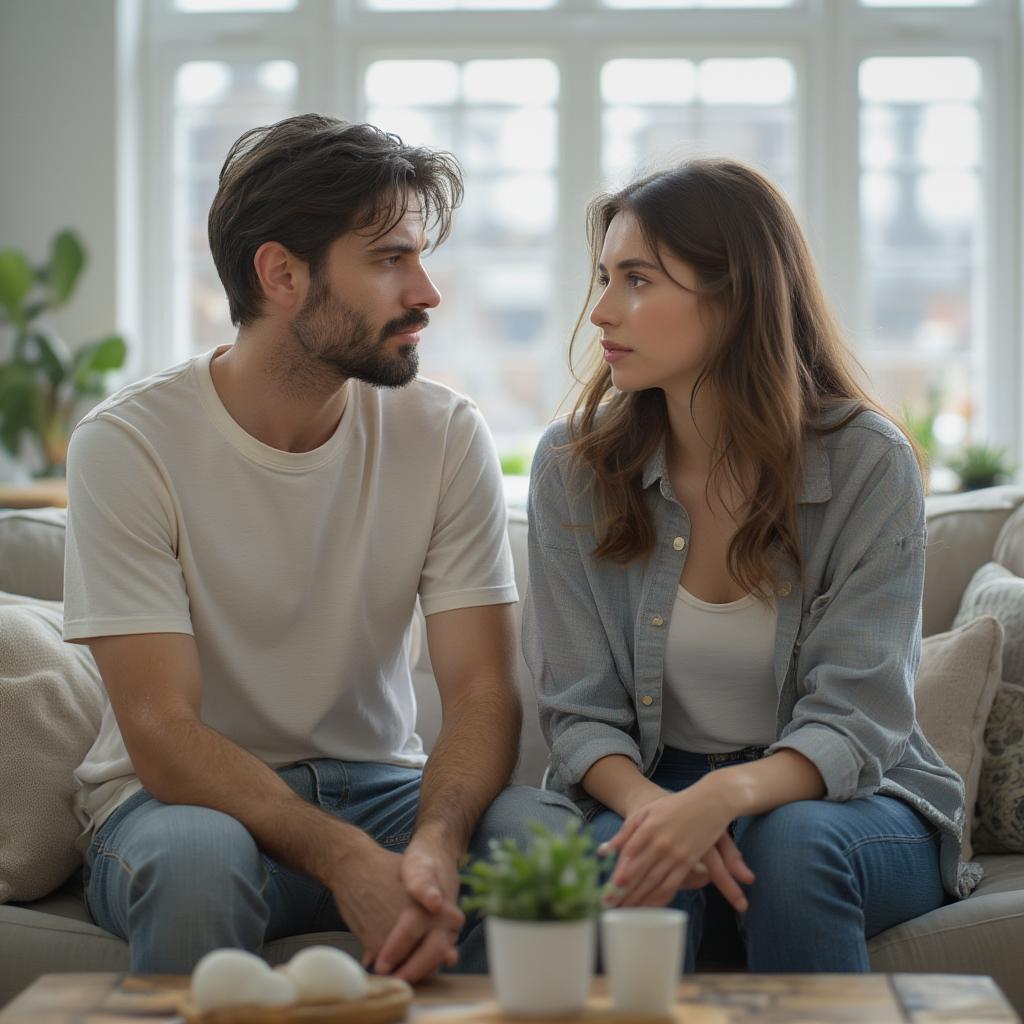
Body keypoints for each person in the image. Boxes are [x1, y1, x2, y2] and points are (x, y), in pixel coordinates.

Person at [62, 113, 577, 981]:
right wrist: (341, 859)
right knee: (197, 862)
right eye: (389, 260)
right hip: (182, 805)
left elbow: (483, 690)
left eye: (419, 256)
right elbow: (161, 730)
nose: (427, 291)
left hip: (382, 790)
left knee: (539, 839)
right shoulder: (128, 444)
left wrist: (437, 843)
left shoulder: (445, 433)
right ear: (281, 274)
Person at [524, 158, 974, 973]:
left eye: (637, 280)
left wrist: (723, 800)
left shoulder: (869, 462)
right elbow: (578, 708)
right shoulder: (572, 466)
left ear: (735, 299)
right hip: (653, 783)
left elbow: (858, 715)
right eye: (603, 277)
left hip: (849, 800)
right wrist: (663, 815)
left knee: (792, 846)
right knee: (635, 876)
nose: (601, 311)